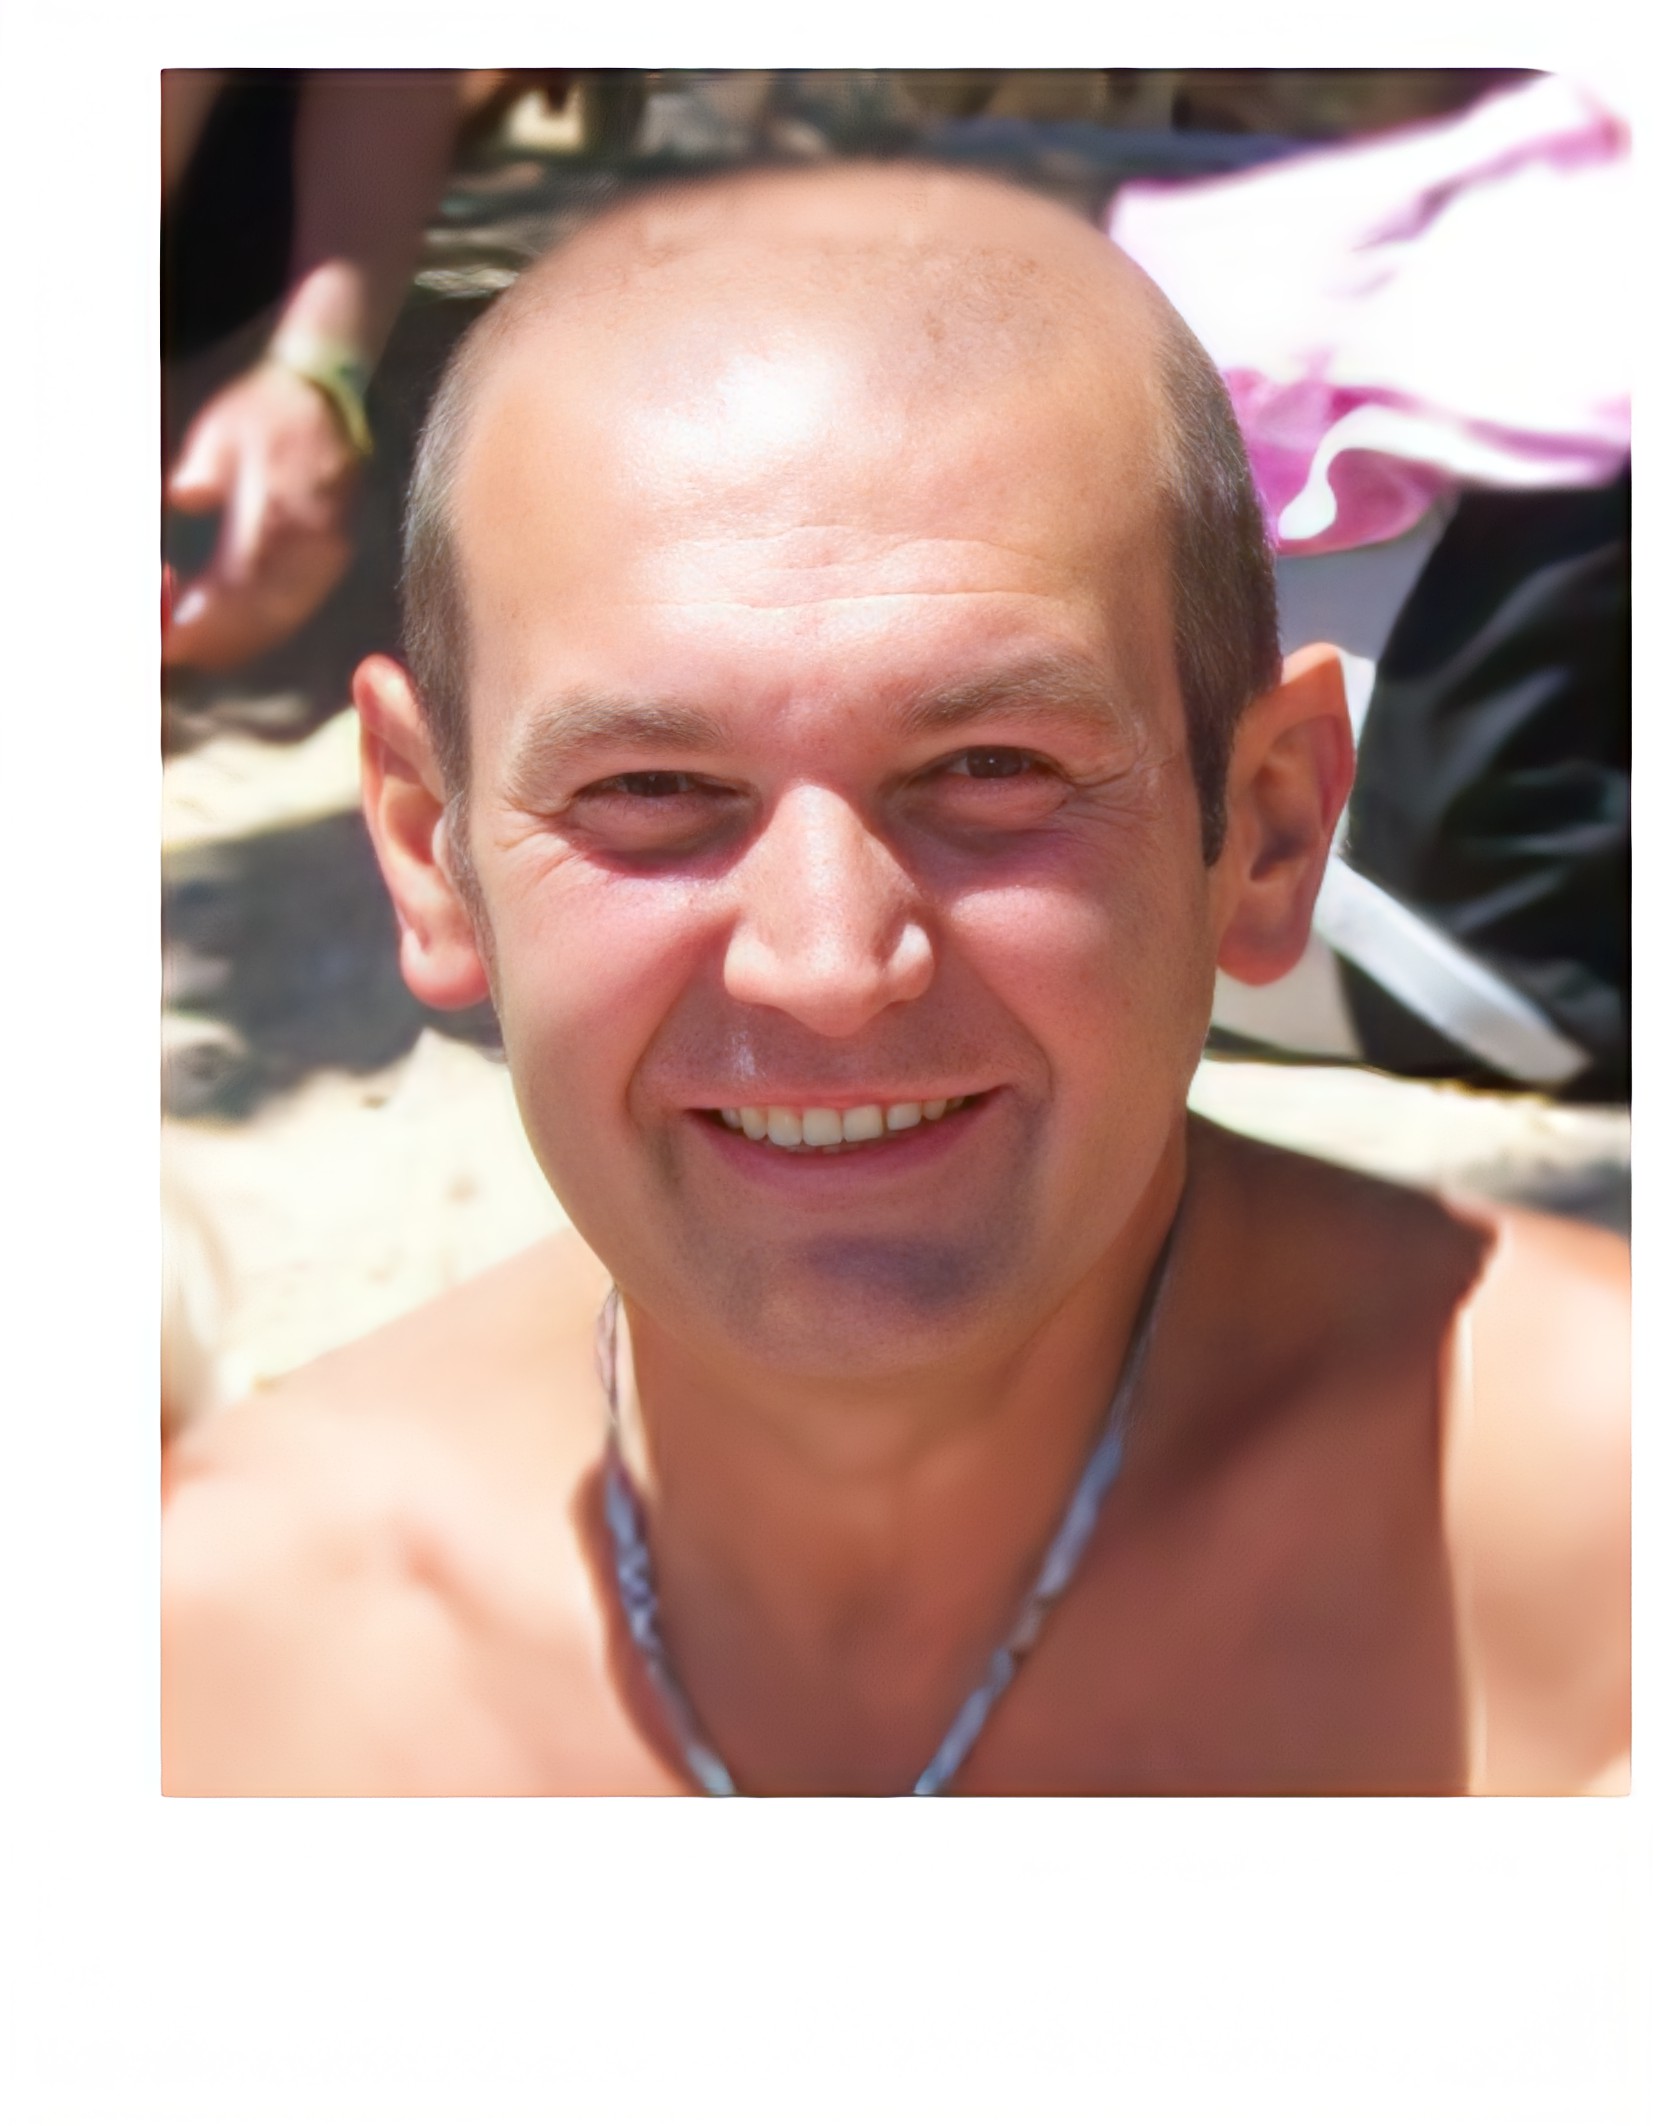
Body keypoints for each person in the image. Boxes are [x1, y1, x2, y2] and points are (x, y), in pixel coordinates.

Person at [161, 164, 1629, 1797]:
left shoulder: (1599, 1549)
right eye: (651, 788)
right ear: (431, 849)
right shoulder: (209, 1664)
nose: (828, 965)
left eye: (991, 766)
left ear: (1269, 826)